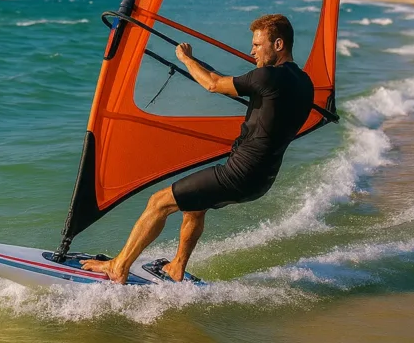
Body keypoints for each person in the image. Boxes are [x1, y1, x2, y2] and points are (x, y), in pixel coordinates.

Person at [81, 14, 314, 283]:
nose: (252, 52)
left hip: (239, 173)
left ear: (278, 44)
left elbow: (213, 83)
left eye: (257, 45)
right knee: (194, 205)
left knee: (158, 202)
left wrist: (186, 59)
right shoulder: (305, 84)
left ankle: (118, 267)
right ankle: (177, 265)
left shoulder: (268, 77)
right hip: (263, 179)